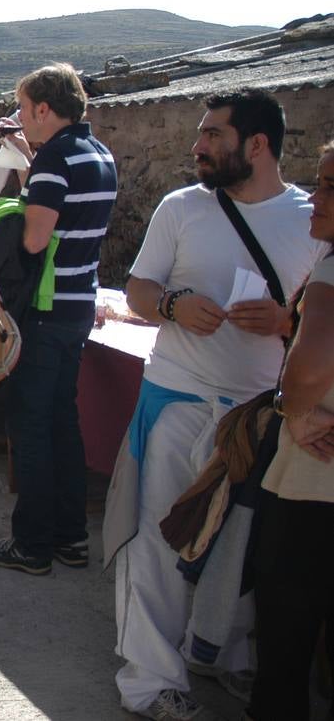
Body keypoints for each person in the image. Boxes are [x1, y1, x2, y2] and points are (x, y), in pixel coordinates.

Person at [105, 89, 324, 720]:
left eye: (212, 135)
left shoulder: (310, 220)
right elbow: (140, 289)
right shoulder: (182, 208)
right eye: (199, 134)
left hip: (259, 413)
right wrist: (172, 306)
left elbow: (319, 320)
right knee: (156, 543)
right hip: (175, 399)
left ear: (257, 145)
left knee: (242, 545)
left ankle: (220, 654)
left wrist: (286, 322)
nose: (197, 146)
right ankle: (150, 682)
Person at [0, 64, 118, 576]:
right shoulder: (99, 153)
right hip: (80, 303)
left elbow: (35, 240)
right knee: (62, 422)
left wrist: (16, 208)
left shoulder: (55, 158)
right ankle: (70, 537)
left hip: (46, 307)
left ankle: (31, 543)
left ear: (42, 109)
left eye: (22, 106)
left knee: (29, 425)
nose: (19, 118)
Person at [248, 140, 334, 721]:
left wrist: (292, 408)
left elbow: (305, 369)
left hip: (316, 476)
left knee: (286, 629)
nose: (317, 199)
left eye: (330, 187)